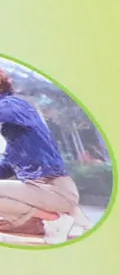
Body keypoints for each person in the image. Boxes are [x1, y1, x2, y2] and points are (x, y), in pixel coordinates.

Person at [0, 73, 80, 240]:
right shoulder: (15, 139)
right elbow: (6, 166)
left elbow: (5, 112)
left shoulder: (15, 104)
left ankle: (55, 219)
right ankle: (40, 222)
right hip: (40, 193)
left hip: (55, 190)